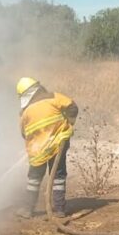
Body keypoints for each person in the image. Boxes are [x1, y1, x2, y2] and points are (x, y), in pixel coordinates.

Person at [15, 77, 78, 219]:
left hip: (38, 150)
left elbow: (24, 133)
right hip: (59, 144)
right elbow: (73, 107)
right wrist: (69, 123)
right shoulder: (54, 97)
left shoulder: (24, 112)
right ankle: (60, 209)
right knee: (58, 176)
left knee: (34, 179)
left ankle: (28, 209)